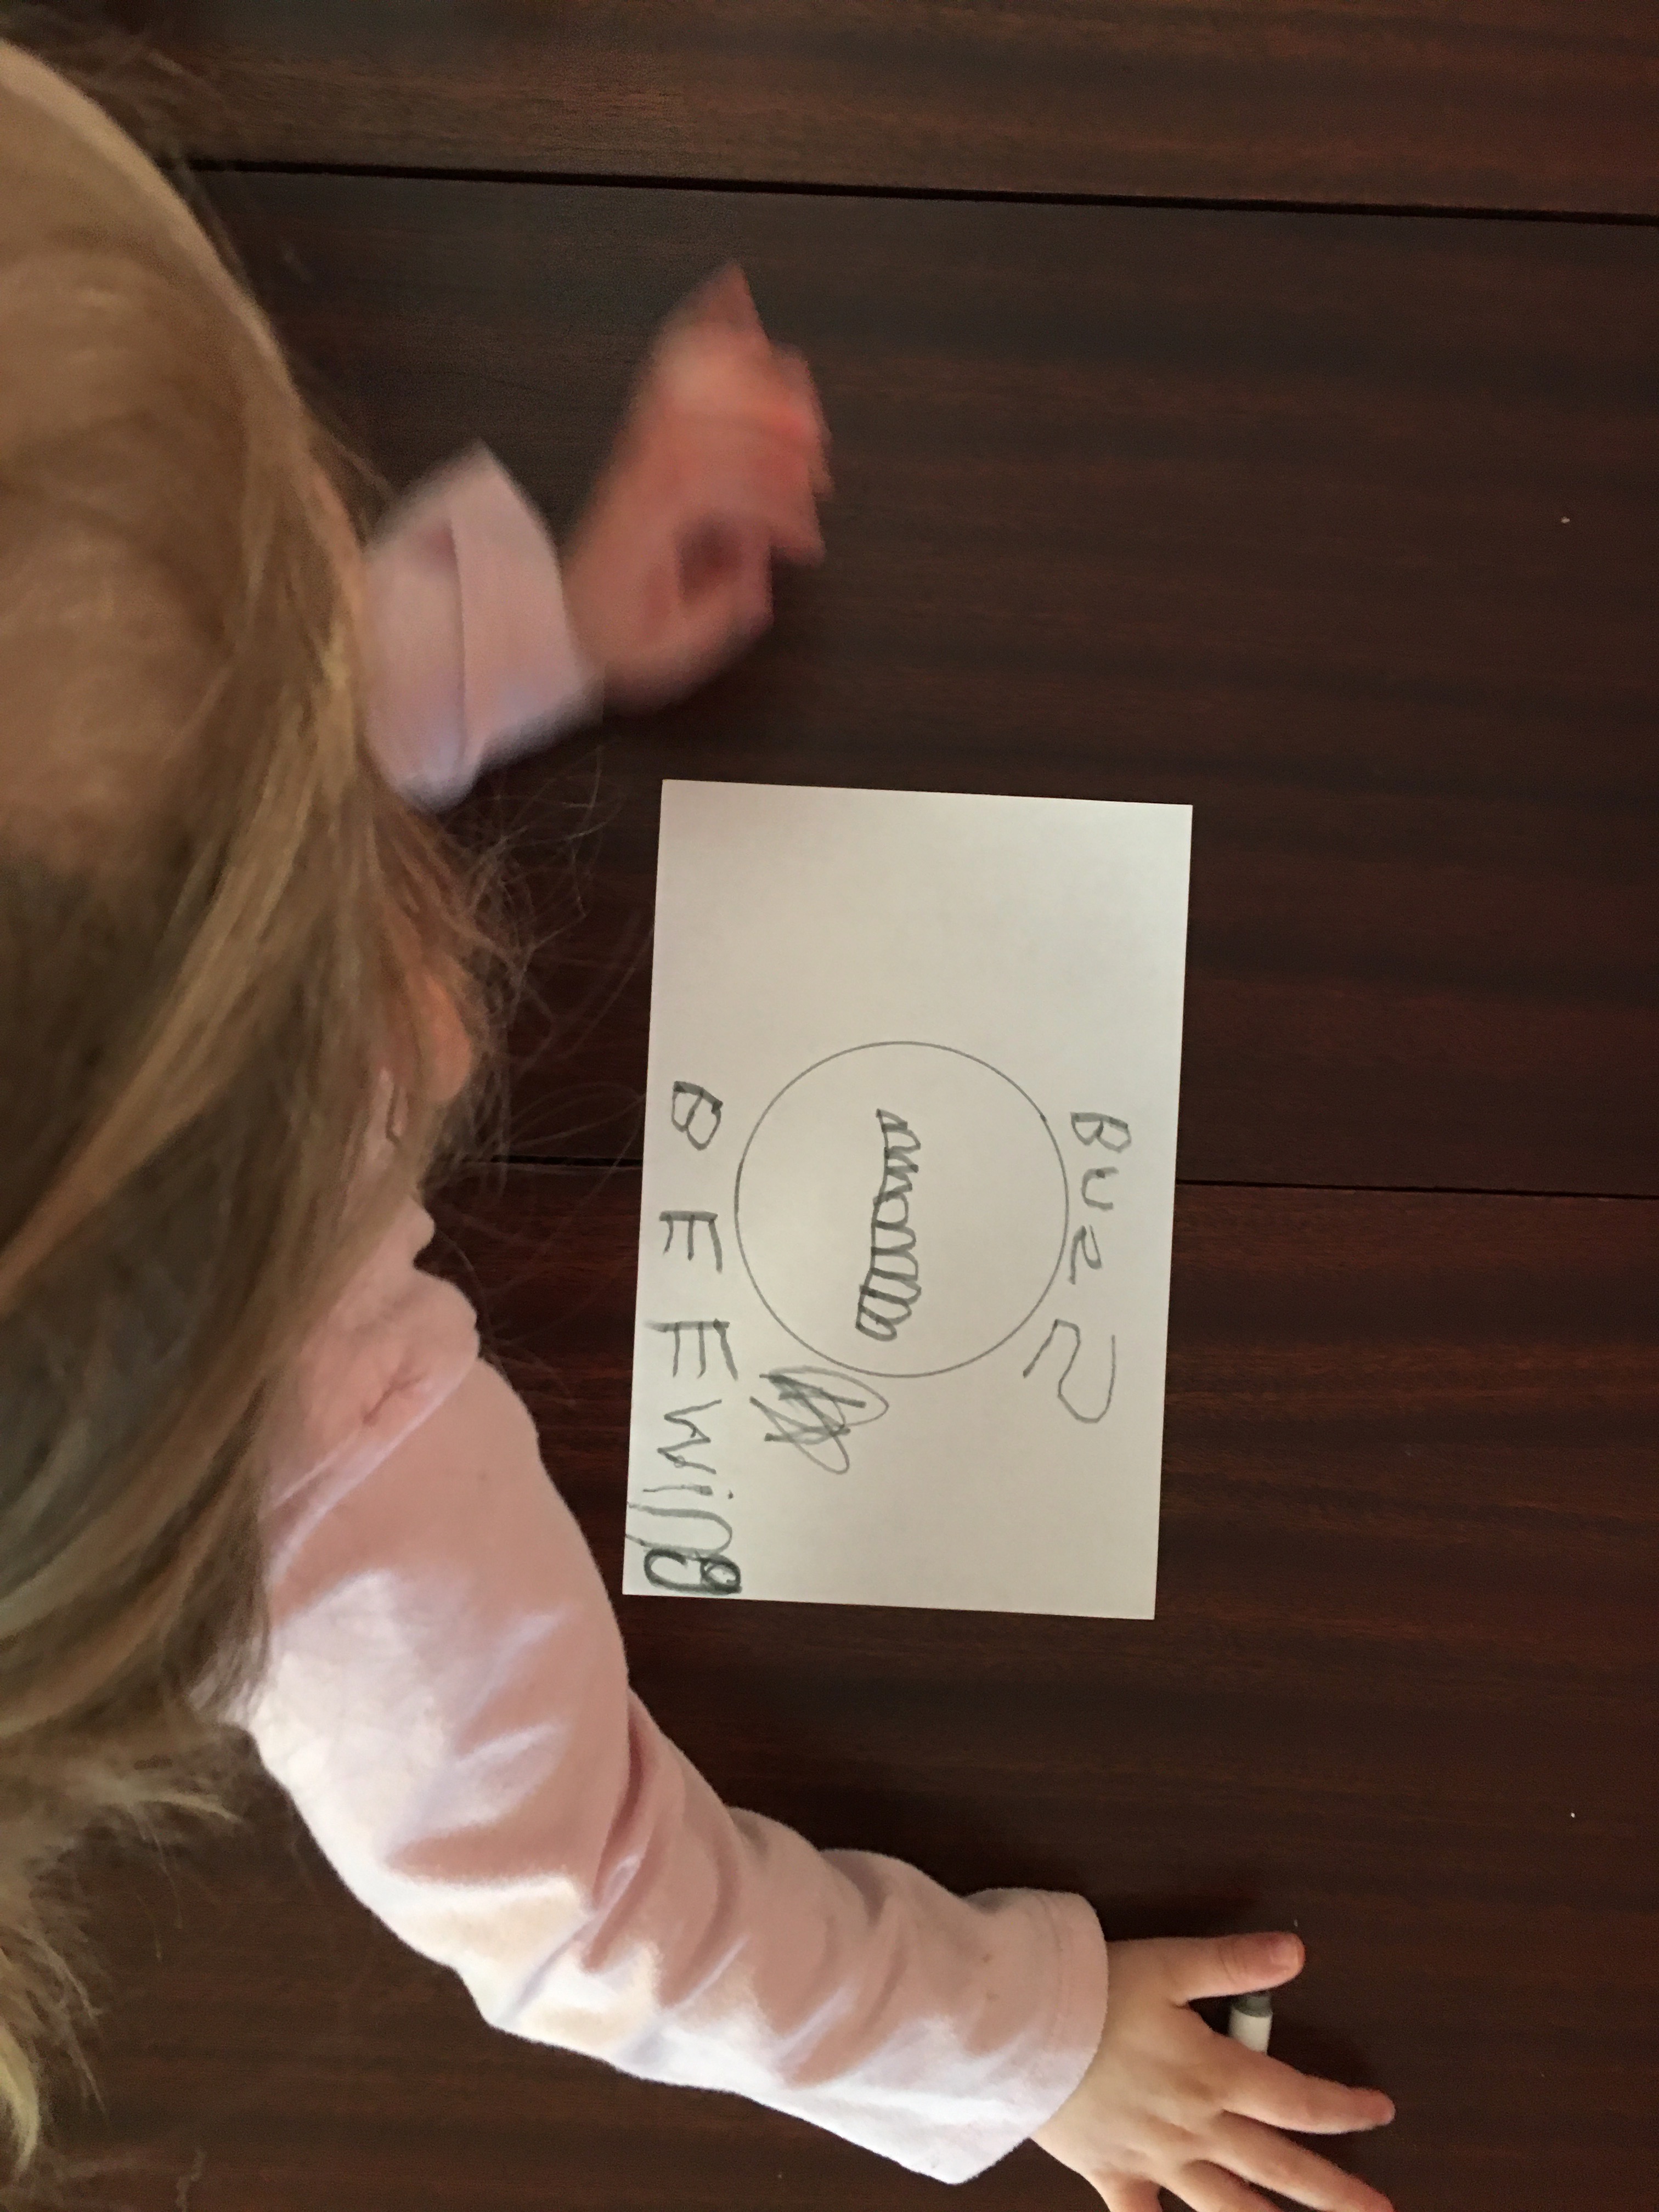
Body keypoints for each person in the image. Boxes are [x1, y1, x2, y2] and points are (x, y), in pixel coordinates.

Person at [0, 37, 1396, 2211]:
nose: (327, 669)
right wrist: (1023, 2045)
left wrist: (546, 611)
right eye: (289, 801)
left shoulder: (102, 875)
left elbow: (179, 747)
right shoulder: (305, 1480)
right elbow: (588, 1908)